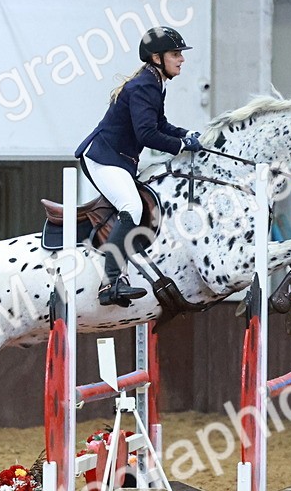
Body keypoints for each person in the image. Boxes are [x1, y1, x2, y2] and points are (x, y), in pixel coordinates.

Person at [75, 26, 204, 307]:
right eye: (175, 53)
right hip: (103, 158)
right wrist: (180, 147)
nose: (181, 59)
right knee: (131, 207)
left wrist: (186, 134)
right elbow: (147, 135)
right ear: (157, 58)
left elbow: (159, 125)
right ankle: (110, 283)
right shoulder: (145, 85)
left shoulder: (155, 82)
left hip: (119, 159)